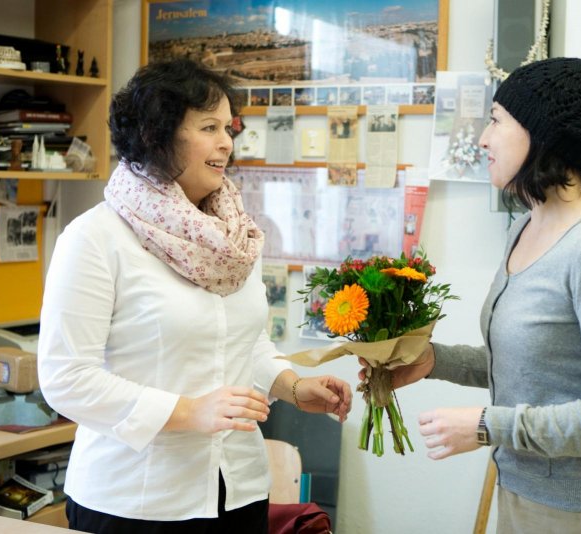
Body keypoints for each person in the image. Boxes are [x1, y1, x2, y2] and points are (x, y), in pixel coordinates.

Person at [37, 59, 352, 534]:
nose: (227, 142)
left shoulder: (232, 237)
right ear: (156, 135)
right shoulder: (95, 238)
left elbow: (245, 343)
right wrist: (188, 411)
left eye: (229, 127)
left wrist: (291, 387)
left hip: (239, 489)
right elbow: (66, 378)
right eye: (208, 127)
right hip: (135, 501)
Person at [363, 57, 581, 532]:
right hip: (521, 492)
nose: (483, 137)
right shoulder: (526, 223)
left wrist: (488, 425)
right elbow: (532, 367)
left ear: (542, 135)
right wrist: (432, 361)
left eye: (497, 120)